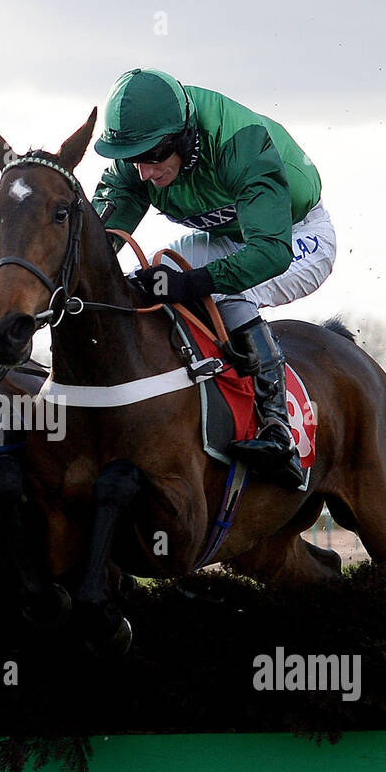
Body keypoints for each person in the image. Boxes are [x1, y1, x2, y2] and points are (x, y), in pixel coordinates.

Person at [91, 68, 335, 488]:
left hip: (294, 235)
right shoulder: (139, 159)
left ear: (183, 138)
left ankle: (279, 431)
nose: (144, 172)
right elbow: (96, 245)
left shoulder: (242, 144)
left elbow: (269, 253)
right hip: (226, 236)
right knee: (138, 278)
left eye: (152, 157)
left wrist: (190, 284)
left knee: (226, 290)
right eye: (134, 159)